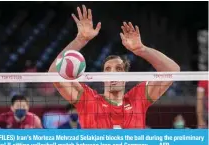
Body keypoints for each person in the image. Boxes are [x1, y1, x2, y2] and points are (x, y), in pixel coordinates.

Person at [48, 5, 180, 129]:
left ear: (126, 76)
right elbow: (54, 74)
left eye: (118, 69)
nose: (112, 73)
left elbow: (173, 71)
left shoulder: (138, 99)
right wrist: (80, 40)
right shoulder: (88, 100)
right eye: (108, 69)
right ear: (103, 77)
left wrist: (141, 49)